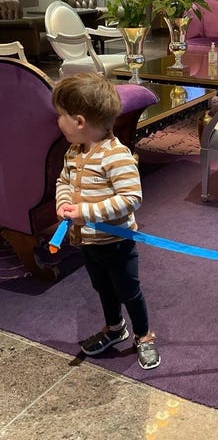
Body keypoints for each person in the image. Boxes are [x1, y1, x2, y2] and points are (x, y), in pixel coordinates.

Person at [52, 72, 160, 370]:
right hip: (89, 243)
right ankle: (115, 328)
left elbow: (130, 199)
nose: (57, 121)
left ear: (79, 121)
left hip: (117, 244)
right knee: (103, 288)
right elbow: (64, 181)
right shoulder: (74, 152)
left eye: (60, 115)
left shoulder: (116, 156)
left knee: (129, 292)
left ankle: (143, 335)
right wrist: (63, 201)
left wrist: (86, 212)